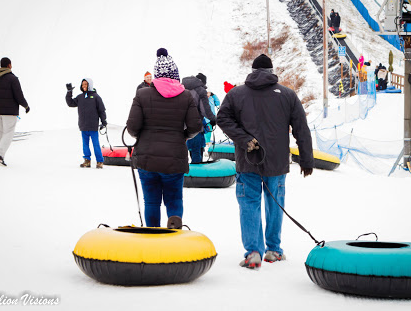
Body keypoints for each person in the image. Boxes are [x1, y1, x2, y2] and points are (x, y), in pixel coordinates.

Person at [217, 54, 314, 269]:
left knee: (249, 204)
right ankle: (273, 250)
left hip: (247, 160)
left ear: (252, 71)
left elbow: (222, 118)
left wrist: (244, 140)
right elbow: (301, 128)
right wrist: (306, 159)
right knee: (275, 204)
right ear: (272, 72)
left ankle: (253, 252)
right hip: (277, 162)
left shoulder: (236, 94)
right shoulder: (287, 95)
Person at [126, 48, 202, 227]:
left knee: (151, 201)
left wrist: (143, 137)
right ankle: (174, 228)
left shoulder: (142, 95)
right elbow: (195, 126)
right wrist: (183, 136)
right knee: (174, 198)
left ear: (156, 75)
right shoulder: (185, 97)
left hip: (146, 157)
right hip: (174, 158)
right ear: (175, 74)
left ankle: (153, 235)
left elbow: (132, 128)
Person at [0, 57, 30, 166]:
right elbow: (19, 96)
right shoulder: (13, 79)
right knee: (8, 132)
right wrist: (26, 106)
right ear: (9, 65)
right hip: (9, 112)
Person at [66, 78, 107, 168]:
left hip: (93, 126)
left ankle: (100, 162)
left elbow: (102, 110)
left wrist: (104, 122)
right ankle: (87, 161)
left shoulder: (96, 97)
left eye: (86, 84)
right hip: (83, 126)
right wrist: (69, 92)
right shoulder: (80, 97)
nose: (84, 86)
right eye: (83, 84)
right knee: (85, 145)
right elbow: (70, 103)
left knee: (96, 145)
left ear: (90, 85)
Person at [182, 73, 217, 163]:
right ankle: (196, 175)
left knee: (188, 152)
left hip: (182, 127)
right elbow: (205, 110)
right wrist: (213, 119)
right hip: (195, 127)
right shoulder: (200, 90)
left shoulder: (182, 88)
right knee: (197, 153)